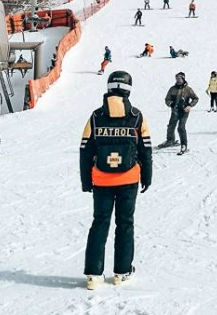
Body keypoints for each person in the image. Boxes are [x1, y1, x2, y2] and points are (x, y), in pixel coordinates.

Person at [79, 70, 152, 289]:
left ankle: (93, 274)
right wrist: (146, 176)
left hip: (101, 180)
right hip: (128, 179)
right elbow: (146, 149)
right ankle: (121, 271)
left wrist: (86, 181)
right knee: (125, 223)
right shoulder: (137, 116)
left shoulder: (95, 116)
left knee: (100, 223)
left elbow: (84, 150)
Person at [160, 72, 199, 154]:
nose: (178, 80)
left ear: (183, 79)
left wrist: (190, 106)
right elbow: (167, 99)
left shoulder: (188, 89)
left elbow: (195, 98)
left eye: (179, 78)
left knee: (181, 127)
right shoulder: (172, 89)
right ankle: (170, 140)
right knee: (171, 125)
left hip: (184, 112)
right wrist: (171, 103)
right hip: (175, 111)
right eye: (176, 78)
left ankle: (184, 145)